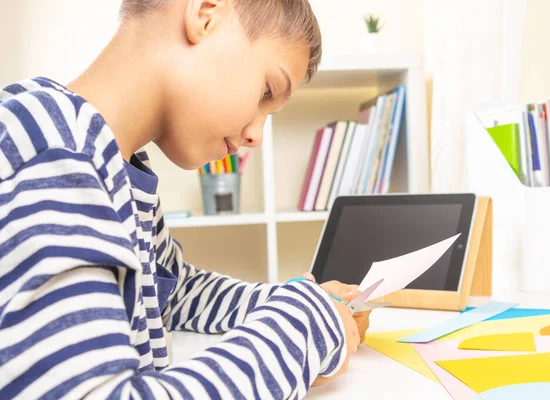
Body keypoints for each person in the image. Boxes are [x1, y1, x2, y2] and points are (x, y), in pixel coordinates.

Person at [0, 0, 371, 398]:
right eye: (266, 90)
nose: (256, 136)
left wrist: (297, 302)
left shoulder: (117, 164)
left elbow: (176, 294)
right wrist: (302, 331)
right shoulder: (51, 153)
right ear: (205, 14)